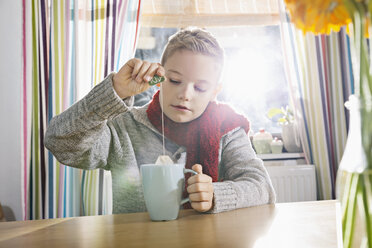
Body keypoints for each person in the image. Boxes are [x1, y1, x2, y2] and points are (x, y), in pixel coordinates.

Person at [45, 28, 276, 214]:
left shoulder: (228, 130)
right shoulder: (125, 126)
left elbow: (262, 187)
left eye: (200, 87)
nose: (186, 94)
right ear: (160, 78)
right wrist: (113, 91)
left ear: (215, 91)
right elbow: (60, 142)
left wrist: (215, 194)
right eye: (175, 80)